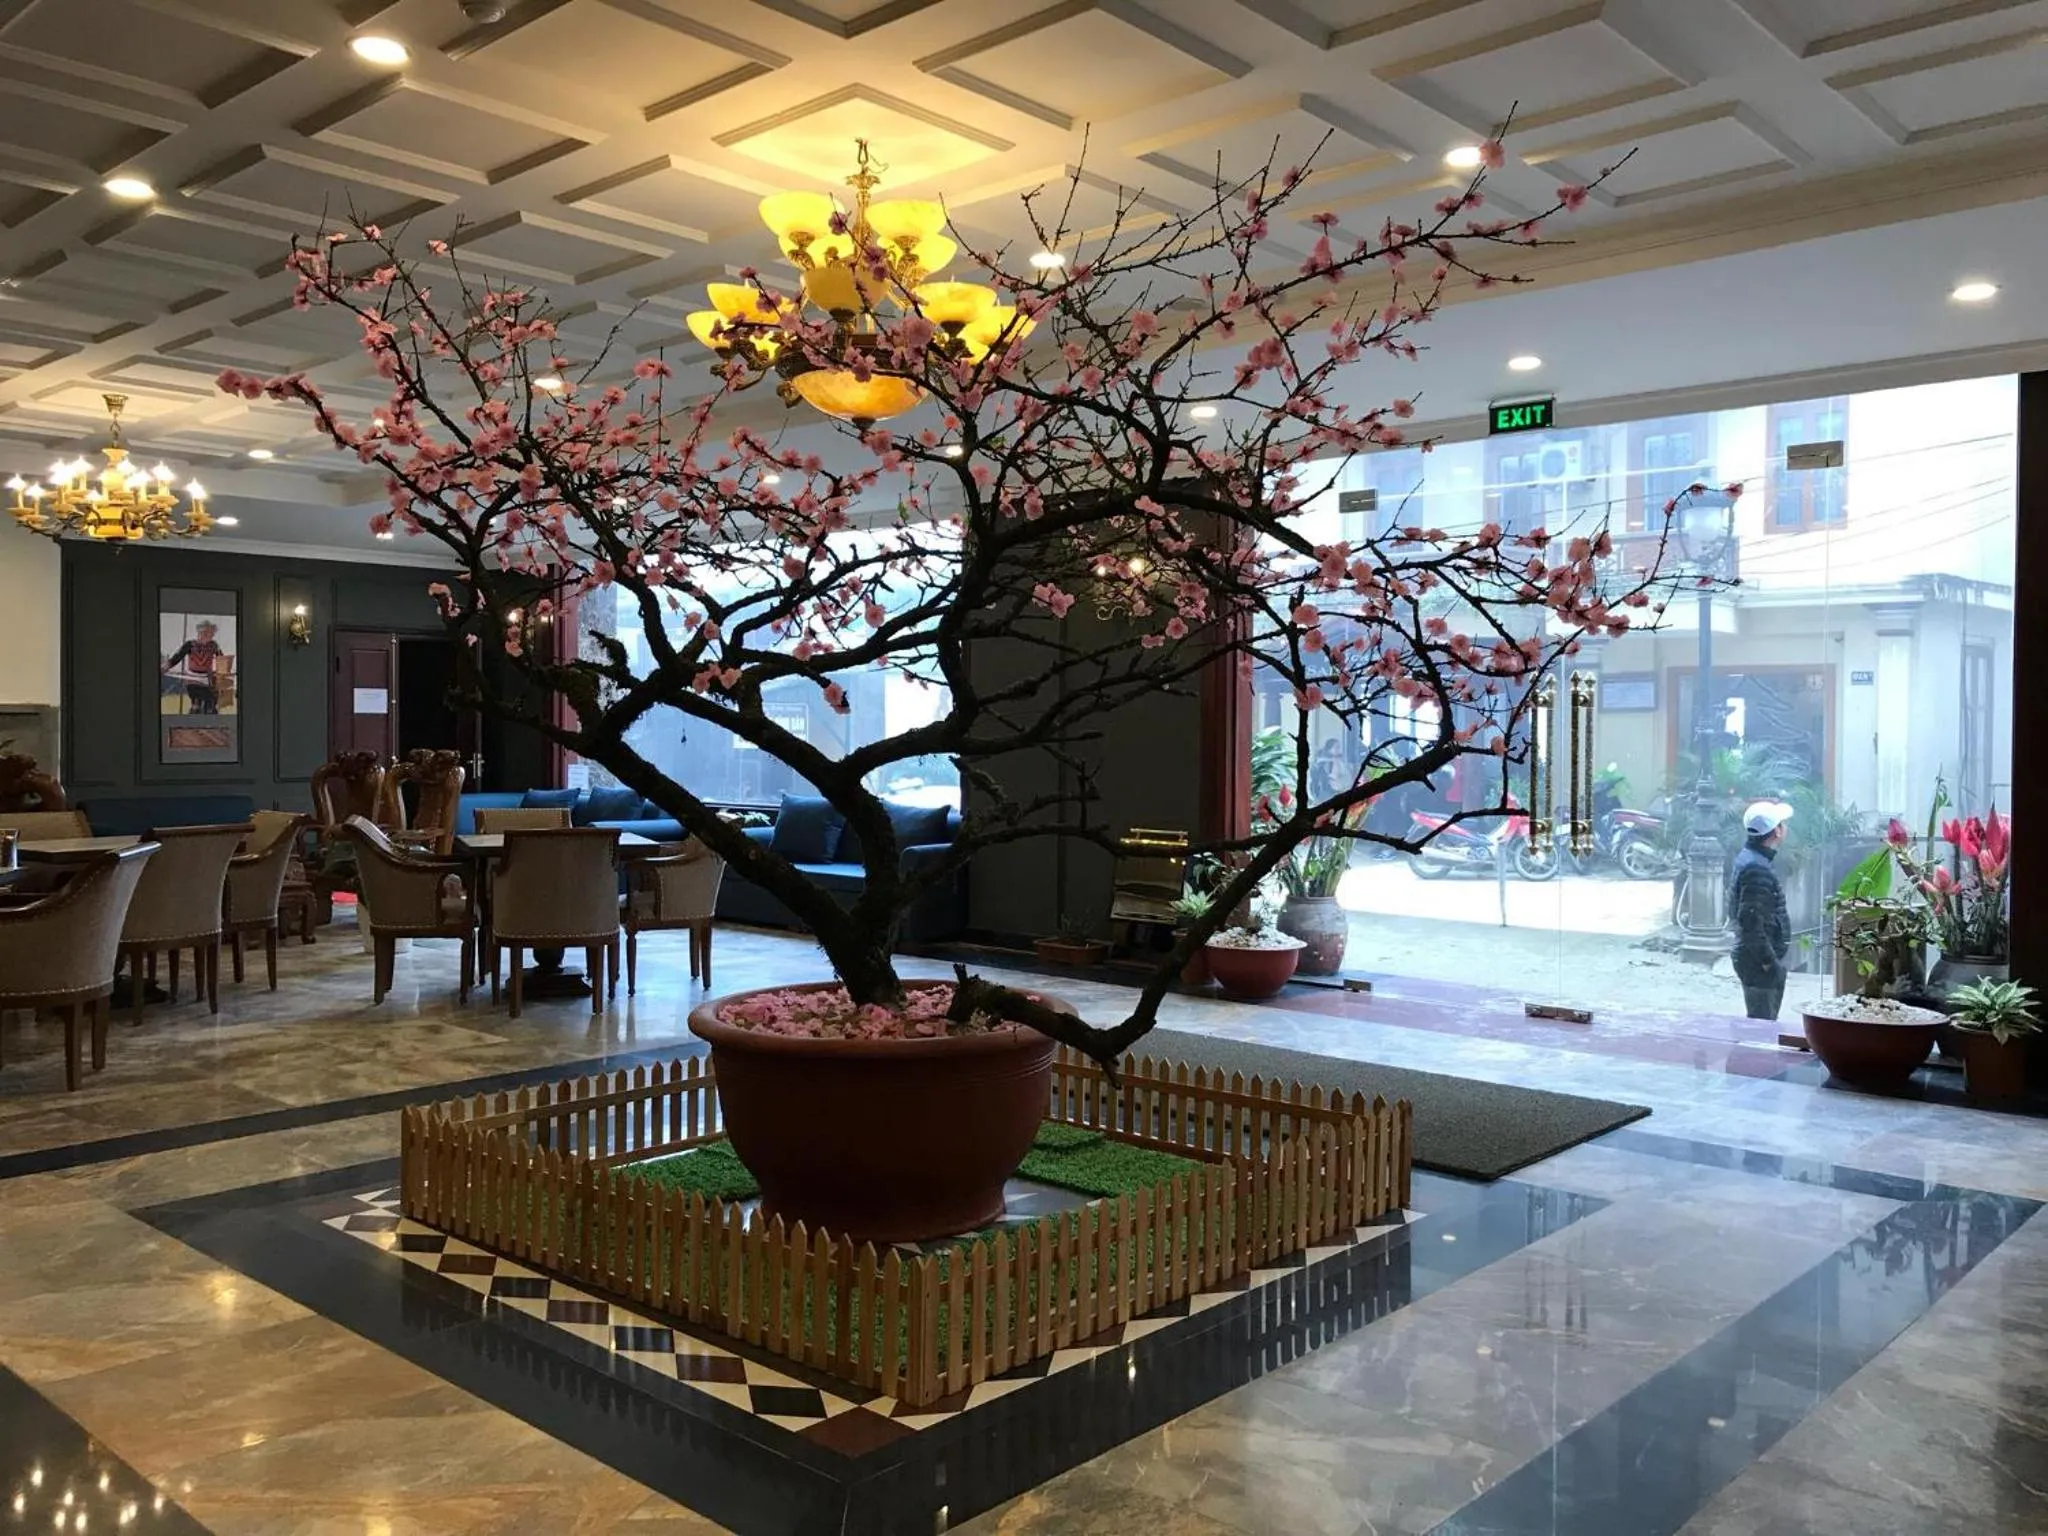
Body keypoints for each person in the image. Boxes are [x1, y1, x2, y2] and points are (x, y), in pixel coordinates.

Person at [1729, 800, 1793, 1021]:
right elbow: (1750, 921)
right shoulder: (1757, 868)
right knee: (1761, 1028)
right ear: (1776, 831)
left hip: (1755, 958)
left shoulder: (1751, 859)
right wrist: (1768, 962)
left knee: (1760, 1022)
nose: (1785, 827)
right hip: (1758, 961)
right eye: (1783, 824)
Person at [163, 620, 223, 714]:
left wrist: (223, 672)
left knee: (211, 705)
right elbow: (177, 657)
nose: (210, 635)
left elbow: (222, 660)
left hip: (208, 680)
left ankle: (212, 725)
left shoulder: (213, 645)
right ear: (201, 633)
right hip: (193, 680)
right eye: (208, 633)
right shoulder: (190, 645)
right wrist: (166, 667)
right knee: (196, 704)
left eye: (212, 633)